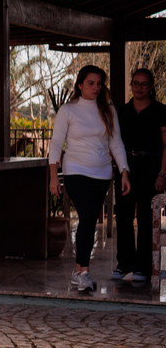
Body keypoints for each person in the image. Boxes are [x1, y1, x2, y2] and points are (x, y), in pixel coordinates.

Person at [48, 65, 131, 292]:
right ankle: (83, 271)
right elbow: (56, 144)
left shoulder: (108, 109)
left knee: (90, 219)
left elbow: (115, 142)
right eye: (91, 83)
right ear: (80, 84)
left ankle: (78, 271)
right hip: (75, 170)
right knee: (88, 215)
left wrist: (124, 171)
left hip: (102, 173)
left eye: (99, 84)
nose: (95, 87)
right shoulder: (68, 110)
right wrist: (53, 177)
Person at [113, 68, 166, 282]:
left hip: (152, 168)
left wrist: (163, 173)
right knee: (123, 216)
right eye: (136, 83)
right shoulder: (122, 111)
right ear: (131, 85)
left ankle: (143, 267)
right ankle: (124, 264)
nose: (139, 87)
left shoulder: (161, 110)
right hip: (126, 167)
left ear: (151, 86)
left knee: (145, 218)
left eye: (144, 84)